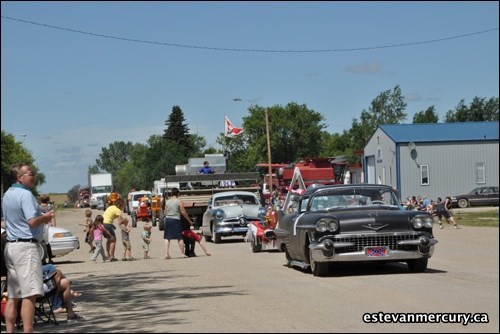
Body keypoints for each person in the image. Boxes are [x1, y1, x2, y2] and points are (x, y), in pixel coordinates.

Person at [2, 163, 55, 333]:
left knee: (13, 295)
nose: (33, 176)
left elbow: (6, 221)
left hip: (11, 246)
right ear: (20, 177)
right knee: (29, 294)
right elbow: (31, 221)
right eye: (29, 174)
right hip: (26, 246)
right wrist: (45, 217)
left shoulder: (7, 194)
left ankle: (10, 330)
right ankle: (28, 330)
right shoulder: (26, 195)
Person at [163, 188, 193, 259]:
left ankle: (167, 254)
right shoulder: (179, 202)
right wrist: (189, 220)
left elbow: (165, 212)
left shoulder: (167, 202)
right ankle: (182, 253)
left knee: (167, 237)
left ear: (171, 194)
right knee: (179, 237)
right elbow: (183, 212)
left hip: (168, 219)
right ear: (178, 194)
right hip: (176, 220)